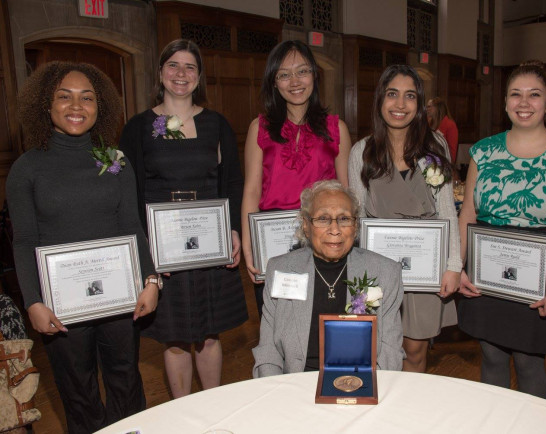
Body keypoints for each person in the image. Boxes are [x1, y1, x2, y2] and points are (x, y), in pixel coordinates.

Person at [6, 61, 160, 433]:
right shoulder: (27, 169)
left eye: (87, 98)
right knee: (78, 389)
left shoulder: (114, 160)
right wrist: (33, 302)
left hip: (119, 297)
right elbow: (24, 240)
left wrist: (152, 280)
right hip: (61, 305)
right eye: (65, 97)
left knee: (125, 379)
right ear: (46, 104)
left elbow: (131, 227)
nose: (77, 106)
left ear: (100, 106)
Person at [119, 39, 248, 399]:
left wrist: (233, 229)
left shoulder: (217, 124)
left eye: (190, 67)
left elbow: (232, 182)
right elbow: (129, 190)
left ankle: (211, 407)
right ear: (160, 72)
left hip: (209, 242)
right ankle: (182, 413)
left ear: (199, 76)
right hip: (164, 248)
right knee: (173, 337)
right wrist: (145, 248)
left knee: (209, 333)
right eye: (173, 65)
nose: (181, 73)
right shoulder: (139, 127)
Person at [457, 60, 546, 399]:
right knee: (490, 354)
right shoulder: (483, 152)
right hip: (486, 271)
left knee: (530, 362)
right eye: (515, 94)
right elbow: (468, 213)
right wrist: (457, 266)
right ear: (505, 102)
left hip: (540, 277)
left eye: (534, 95)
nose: (523, 102)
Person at [348, 65, 462, 373]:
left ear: (420, 103)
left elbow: (446, 209)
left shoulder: (433, 148)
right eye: (392, 94)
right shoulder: (363, 151)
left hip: (423, 264)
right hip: (374, 264)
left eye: (409, 96)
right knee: (371, 344)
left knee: (414, 349)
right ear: (380, 100)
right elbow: (356, 215)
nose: (400, 105)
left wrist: (453, 265)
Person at [241, 40, 352, 317]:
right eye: (284, 74)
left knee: (322, 322)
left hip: (326, 241)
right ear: (274, 82)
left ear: (314, 75)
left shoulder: (336, 129)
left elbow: (348, 195)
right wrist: (248, 245)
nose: (294, 81)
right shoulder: (260, 128)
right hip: (273, 244)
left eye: (302, 71)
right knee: (280, 326)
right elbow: (252, 190)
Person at [252, 180, 404, 376]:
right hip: (295, 383)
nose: (335, 229)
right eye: (323, 219)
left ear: (355, 226)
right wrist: (276, 393)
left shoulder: (385, 273)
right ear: (306, 225)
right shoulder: (280, 269)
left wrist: (367, 392)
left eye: (344, 219)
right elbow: (268, 352)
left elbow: (390, 353)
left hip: (360, 383)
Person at [426, 97, 459, 163]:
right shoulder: (427, 123)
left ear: (438, 108)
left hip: (444, 163)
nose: (427, 109)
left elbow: (452, 151)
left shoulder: (450, 124)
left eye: (429, 107)